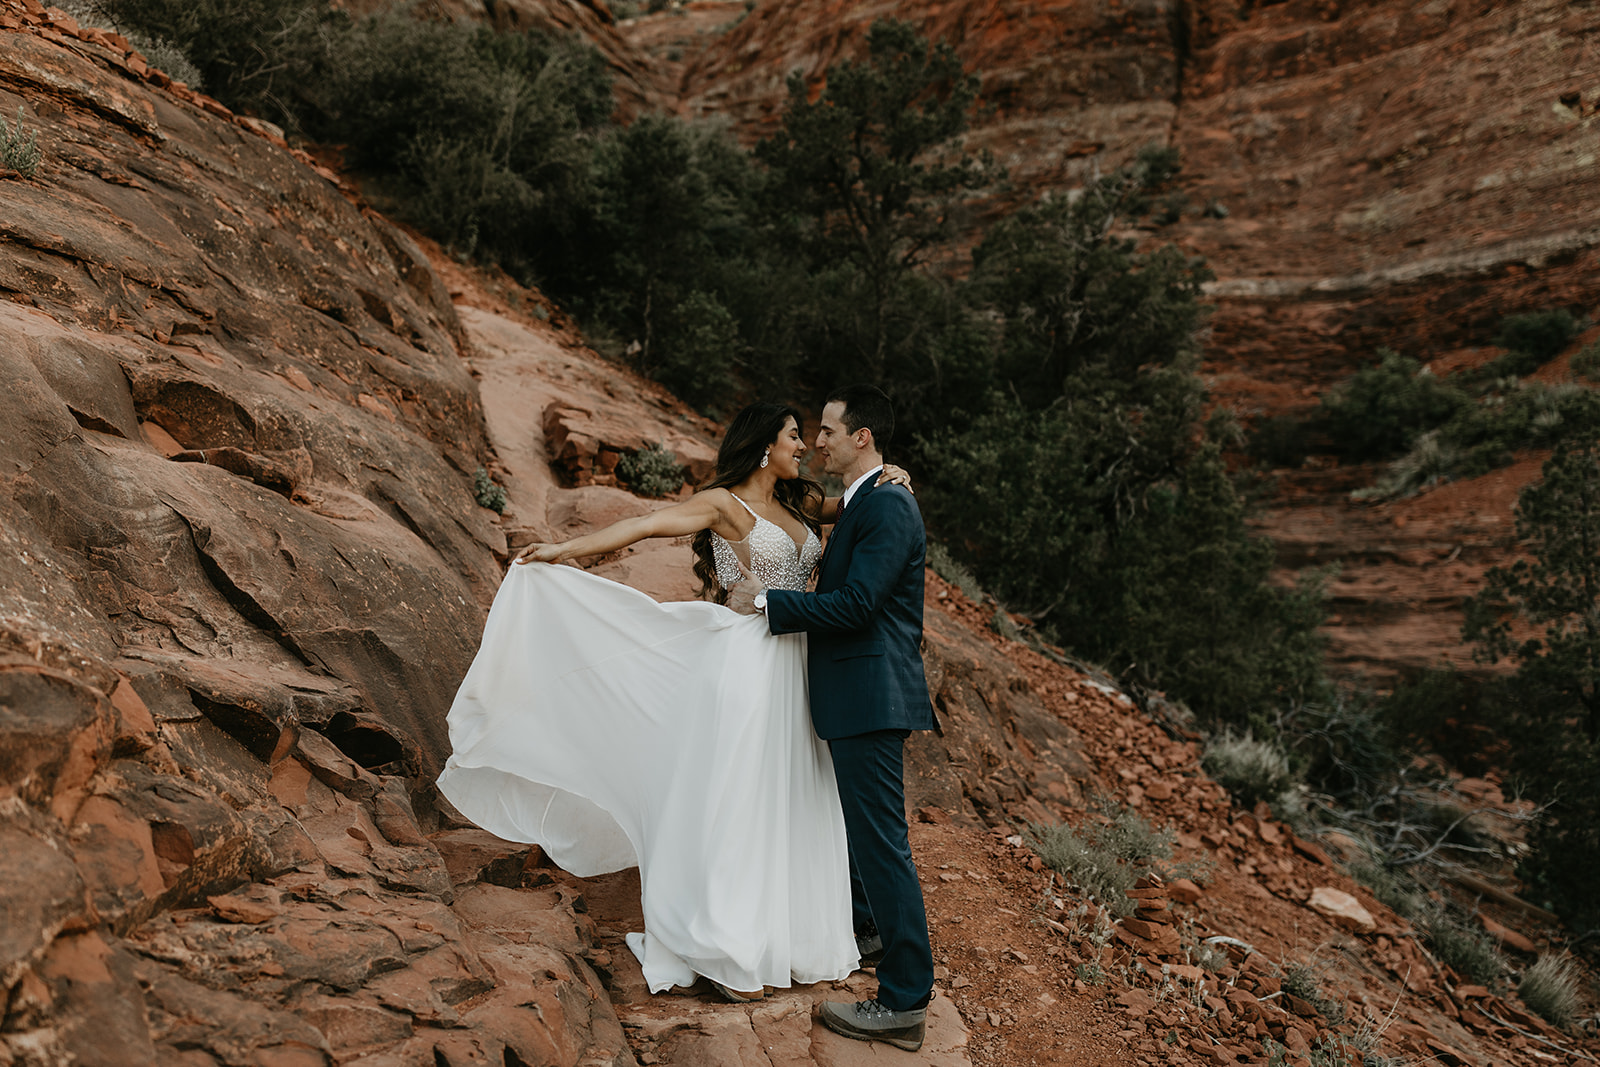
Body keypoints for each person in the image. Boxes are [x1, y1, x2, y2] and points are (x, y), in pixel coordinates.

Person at [435, 402, 909, 1003]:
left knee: (790, 796)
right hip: (745, 663)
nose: (806, 447)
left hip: (797, 667)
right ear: (766, 444)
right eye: (795, 437)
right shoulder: (722, 504)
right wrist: (565, 550)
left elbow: (862, 501)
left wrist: (894, 475)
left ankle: (784, 938)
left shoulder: (803, 502)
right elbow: (645, 525)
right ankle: (723, 941)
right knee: (736, 795)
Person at [728, 384, 937, 1053]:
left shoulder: (890, 506)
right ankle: (869, 931)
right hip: (855, 695)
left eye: (828, 431)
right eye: (813, 433)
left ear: (863, 437)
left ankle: (904, 1000)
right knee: (860, 829)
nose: (818, 441)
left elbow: (857, 605)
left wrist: (770, 604)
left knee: (882, 842)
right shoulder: (866, 500)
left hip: (871, 695)